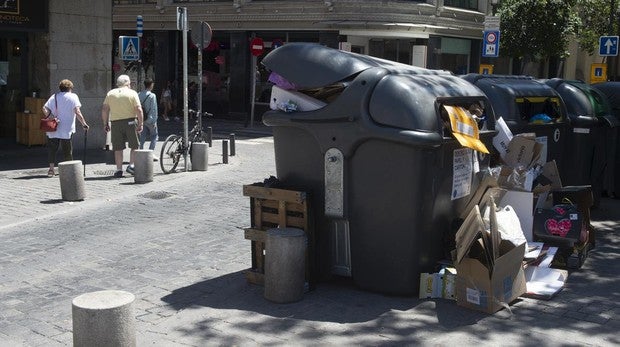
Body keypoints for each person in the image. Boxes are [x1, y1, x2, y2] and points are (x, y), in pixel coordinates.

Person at [42, 79, 89, 177]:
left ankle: (51, 170)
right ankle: (68, 170)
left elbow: (44, 108)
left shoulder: (54, 96)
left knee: (52, 149)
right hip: (67, 129)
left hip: (54, 127)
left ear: (60, 88)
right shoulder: (73, 97)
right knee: (67, 150)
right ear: (70, 88)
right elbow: (77, 111)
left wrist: (51, 117)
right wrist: (84, 124)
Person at [101, 74, 144, 178]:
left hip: (115, 123)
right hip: (130, 121)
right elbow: (138, 109)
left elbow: (104, 109)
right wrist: (141, 123)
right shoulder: (132, 93)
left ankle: (119, 170)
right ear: (128, 84)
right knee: (134, 145)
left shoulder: (110, 93)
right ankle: (131, 165)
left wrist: (105, 123)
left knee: (118, 148)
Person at [138, 78, 159, 160]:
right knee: (154, 136)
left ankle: (140, 151)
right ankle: (150, 153)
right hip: (150, 119)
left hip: (142, 119)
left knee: (142, 136)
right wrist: (154, 121)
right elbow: (154, 109)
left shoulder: (139, 94)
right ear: (151, 85)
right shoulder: (152, 96)